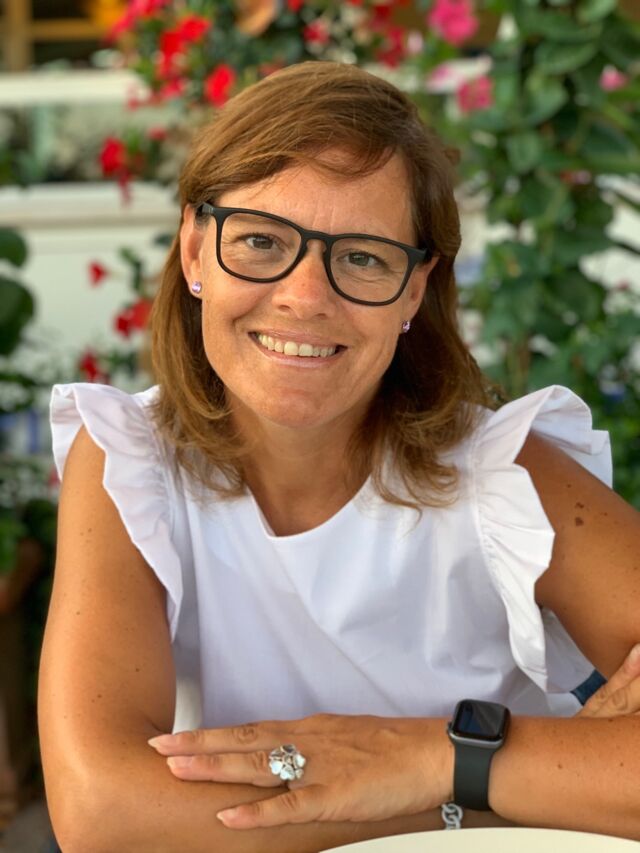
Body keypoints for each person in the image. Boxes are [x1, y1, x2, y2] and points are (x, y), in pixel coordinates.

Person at [38, 61, 640, 852]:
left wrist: (429, 757)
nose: (305, 297)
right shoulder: (131, 460)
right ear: (193, 252)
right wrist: (495, 792)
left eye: (362, 257)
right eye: (260, 241)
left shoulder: (506, 472)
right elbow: (104, 809)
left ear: (414, 290)